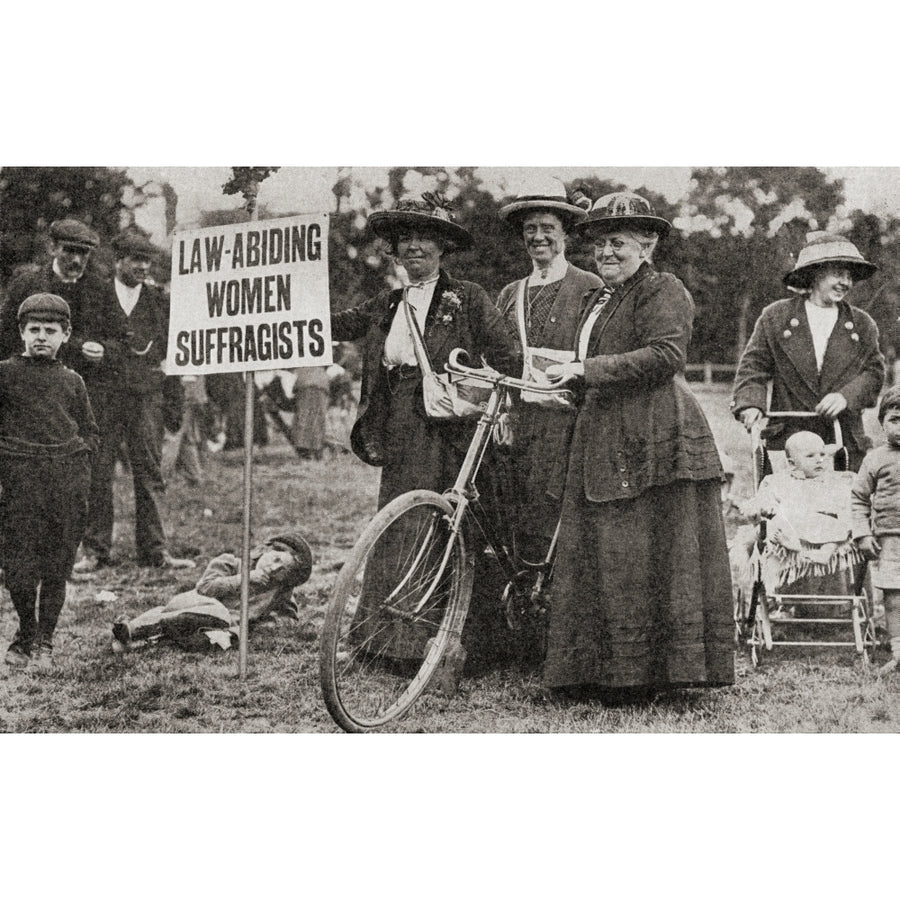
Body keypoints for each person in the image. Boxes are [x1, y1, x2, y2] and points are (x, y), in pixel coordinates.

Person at [542, 192, 734, 701]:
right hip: (605, 426)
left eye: (619, 242)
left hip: (654, 434)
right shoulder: (601, 298)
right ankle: (598, 672)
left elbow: (666, 355)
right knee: (605, 550)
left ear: (647, 246)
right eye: (601, 242)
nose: (607, 252)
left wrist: (588, 370)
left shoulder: (662, 289)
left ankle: (639, 677)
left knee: (638, 552)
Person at [330, 192, 517, 666]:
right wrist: (288, 310)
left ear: (442, 247)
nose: (415, 247)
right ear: (394, 249)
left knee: (438, 522)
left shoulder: (467, 298)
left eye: (425, 238)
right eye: (405, 239)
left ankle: (428, 645)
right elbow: (337, 324)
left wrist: (482, 393)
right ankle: (382, 639)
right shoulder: (388, 303)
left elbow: (507, 354)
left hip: (447, 429)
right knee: (395, 519)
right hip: (398, 419)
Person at [73, 231, 194, 573]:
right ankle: (96, 551)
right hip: (103, 397)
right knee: (99, 472)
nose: (142, 266)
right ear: (118, 261)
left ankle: (155, 550)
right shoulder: (93, 293)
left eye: (147, 260)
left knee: (149, 471)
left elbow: (173, 351)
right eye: (136, 260)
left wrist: (173, 400)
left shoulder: (158, 299)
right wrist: (87, 348)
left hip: (146, 397)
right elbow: (75, 336)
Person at [495, 180, 602, 567]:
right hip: (520, 424)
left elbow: (599, 353)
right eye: (530, 230)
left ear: (565, 234)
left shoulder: (590, 287)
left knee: (559, 520)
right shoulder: (511, 293)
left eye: (547, 229)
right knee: (515, 513)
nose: (538, 238)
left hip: (567, 426)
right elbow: (498, 355)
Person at [0, 294, 99, 669]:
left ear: (66, 335)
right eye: (34, 330)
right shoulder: (5, 374)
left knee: (57, 566)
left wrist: (78, 462)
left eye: (51, 330)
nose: (42, 337)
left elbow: (90, 431)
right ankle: (26, 630)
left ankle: (45, 640)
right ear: (21, 332)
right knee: (20, 570)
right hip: (19, 482)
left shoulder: (72, 381)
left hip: (64, 484)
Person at [732, 231, 884, 471]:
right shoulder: (776, 317)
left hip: (843, 440)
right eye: (838, 273)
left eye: (849, 275)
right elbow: (754, 367)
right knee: (785, 505)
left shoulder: (862, 324)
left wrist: (845, 396)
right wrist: (750, 404)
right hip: (790, 442)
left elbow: (874, 373)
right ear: (814, 274)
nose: (846, 282)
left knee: (843, 504)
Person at [111, 531, 313, 652]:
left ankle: (136, 642)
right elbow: (206, 588)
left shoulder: (276, 591)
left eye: (282, 570)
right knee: (216, 613)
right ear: (266, 549)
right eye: (276, 559)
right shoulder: (230, 563)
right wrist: (245, 579)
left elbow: (288, 618)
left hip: (214, 628)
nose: (274, 568)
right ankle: (133, 629)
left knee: (208, 637)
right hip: (193, 604)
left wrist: (265, 623)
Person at [737, 431, 859, 593]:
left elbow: (847, 499)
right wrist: (763, 509)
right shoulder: (779, 481)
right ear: (792, 464)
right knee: (773, 525)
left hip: (824, 525)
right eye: (810, 456)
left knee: (840, 528)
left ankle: (824, 553)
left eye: (822, 454)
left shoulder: (832, 480)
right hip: (792, 525)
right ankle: (790, 547)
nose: (820, 460)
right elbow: (764, 499)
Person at [0, 219, 103, 364]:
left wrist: (101, 349)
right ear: (52, 248)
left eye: (83, 252)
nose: (77, 260)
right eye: (69, 251)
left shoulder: (99, 288)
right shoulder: (26, 283)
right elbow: (5, 333)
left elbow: (112, 337)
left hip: (81, 376)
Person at [852, 386, 900, 675]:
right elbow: (859, 498)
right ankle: (898, 650)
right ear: (882, 421)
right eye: (896, 419)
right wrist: (863, 533)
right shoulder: (875, 458)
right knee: (894, 597)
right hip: (890, 538)